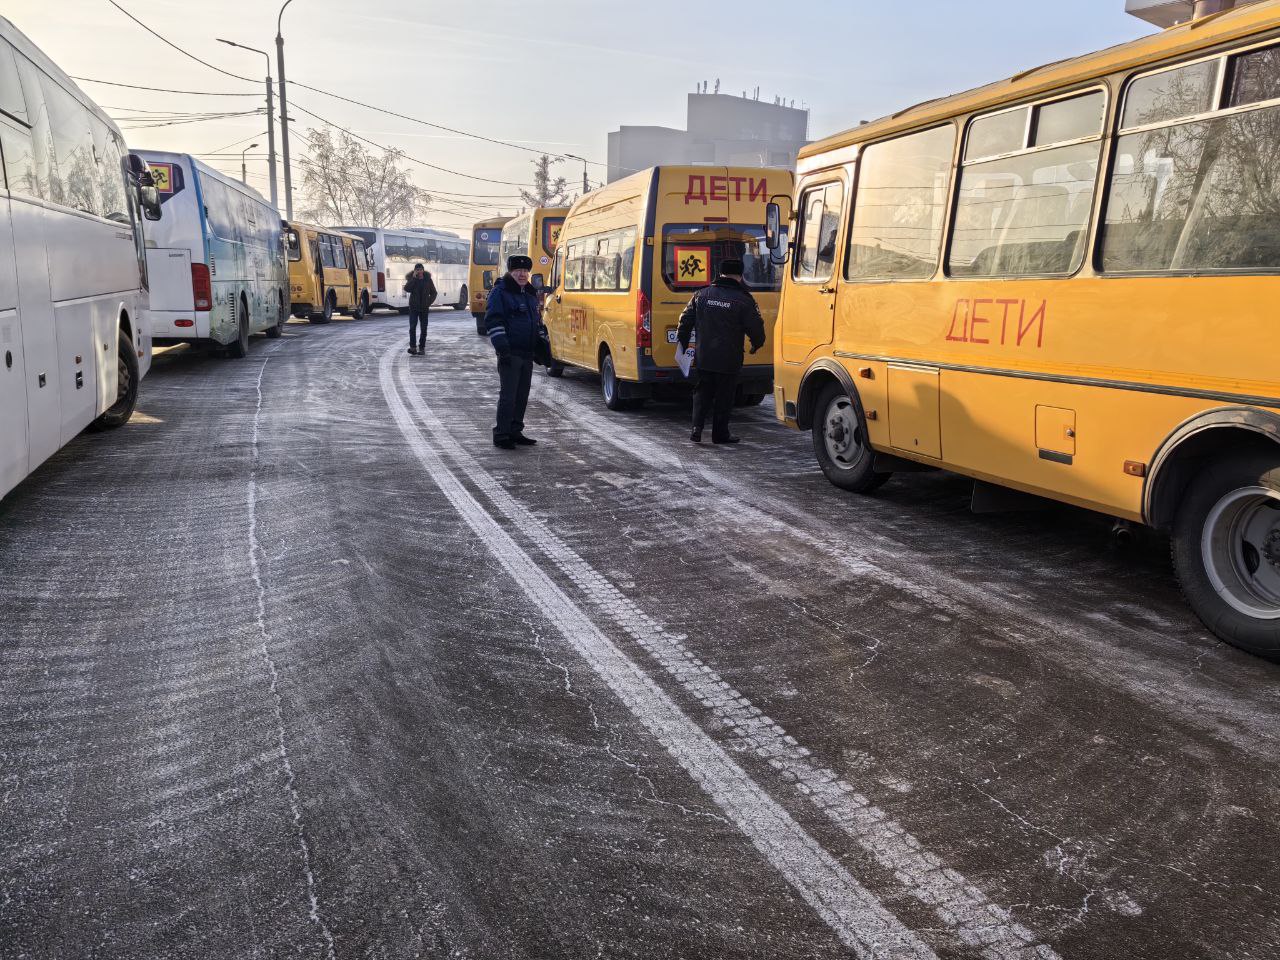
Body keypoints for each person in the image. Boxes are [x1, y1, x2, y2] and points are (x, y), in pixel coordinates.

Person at [676, 257, 766, 445]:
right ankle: (720, 434)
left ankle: (696, 429)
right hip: (729, 358)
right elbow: (756, 328)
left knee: (702, 392)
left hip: (705, 356)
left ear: (720, 273)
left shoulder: (701, 294)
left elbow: (685, 320)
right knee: (724, 397)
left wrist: (683, 343)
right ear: (740, 276)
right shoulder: (744, 299)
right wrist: (756, 345)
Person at [484, 254, 544, 450]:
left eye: (526, 271)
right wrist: (503, 349)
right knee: (509, 395)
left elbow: (535, 322)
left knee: (522, 394)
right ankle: (501, 434)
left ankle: (515, 430)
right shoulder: (500, 292)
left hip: (526, 353)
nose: (522, 274)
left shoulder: (529, 293)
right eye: (518, 271)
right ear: (510, 271)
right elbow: (493, 321)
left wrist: (540, 344)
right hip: (510, 353)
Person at [403, 263, 437, 355]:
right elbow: (407, 289)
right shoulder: (412, 279)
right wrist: (413, 278)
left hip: (424, 308)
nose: (419, 271)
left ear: (423, 270)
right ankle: (413, 348)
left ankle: (422, 348)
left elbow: (434, 293)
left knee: (424, 328)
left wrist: (428, 302)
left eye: (420, 269)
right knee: (412, 327)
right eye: (417, 270)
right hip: (414, 308)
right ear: (415, 271)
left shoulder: (428, 280)